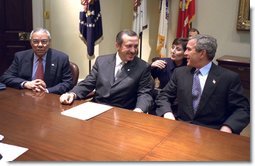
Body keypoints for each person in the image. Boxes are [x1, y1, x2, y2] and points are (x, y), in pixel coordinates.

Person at [155, 34, 250, 134]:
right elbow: (164, 96)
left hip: (212, 134)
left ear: (202, 54)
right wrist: (167, 113)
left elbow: (242, 109)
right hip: (180, 130)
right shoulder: (180, 73)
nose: (185, 53)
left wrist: (228, 128)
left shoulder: (228, 78)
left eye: (188, 49)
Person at [60, 29, 154, 113]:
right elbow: (88, 83)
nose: (133, 50)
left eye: (136, 46)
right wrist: (72, 93)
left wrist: (139, 110)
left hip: (123, 112)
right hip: (96, 109)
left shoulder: (143, 67)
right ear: (117, 45)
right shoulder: (102, 61)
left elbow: (145, 94)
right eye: (129, 46)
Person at [0, 28, 73, 94]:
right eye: (35, 41)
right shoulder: (20, 57)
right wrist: (26, 84)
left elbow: (68, 83)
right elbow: (6, 77)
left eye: (44, 41)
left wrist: (47, 91)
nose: (40, 45)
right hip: (27, 97)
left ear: (49, 42)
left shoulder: (61, 58)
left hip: (51, 98)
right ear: (30, 42)